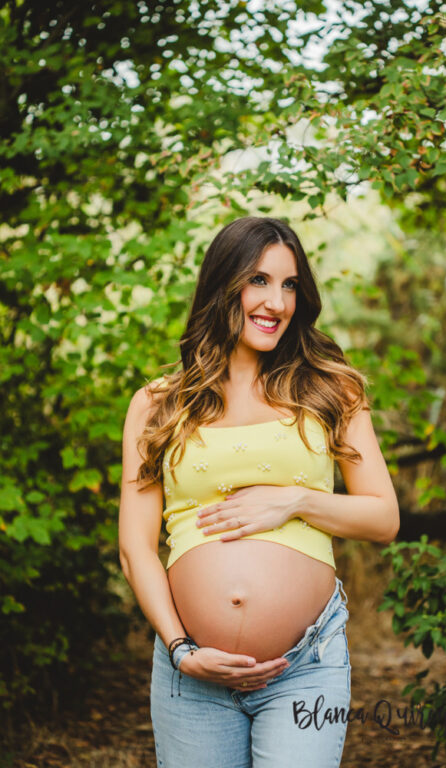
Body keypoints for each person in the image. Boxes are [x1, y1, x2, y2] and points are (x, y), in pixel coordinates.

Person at [118, 216, 400, 767]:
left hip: (307, 665)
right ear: (223, 284)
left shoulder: (330, 389)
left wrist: (295, 500)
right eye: (260, 281)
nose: (277, 301)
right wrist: (182, 650)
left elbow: (384, 518)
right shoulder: (158, 404)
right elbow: (135, 548)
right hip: (192, 676)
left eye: (290, 284)